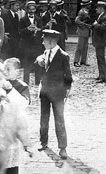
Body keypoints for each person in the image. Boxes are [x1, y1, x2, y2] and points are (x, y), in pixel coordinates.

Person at [35, 30, 72, 159]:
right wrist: (39, 59)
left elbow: (68, 77)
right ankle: (43, 142)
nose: (42, 42)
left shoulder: (63, 56)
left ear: (51, 42)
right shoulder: (46, 52)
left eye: (44, 40)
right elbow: (39, 61)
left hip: (57, 94)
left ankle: (63, 148)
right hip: (45, 92)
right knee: (43, 118)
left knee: (59, 120)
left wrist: (65, 92)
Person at [19, 1, 43, 83]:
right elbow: (20, 32)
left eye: (33, 9)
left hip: (36, 45)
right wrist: (27, 29)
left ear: (35, 10)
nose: (31, 11)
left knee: (38, 63)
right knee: (26, 64)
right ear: (27, 10)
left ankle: (38, 81)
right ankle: (25, 82)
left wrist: (37, 29)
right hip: (27, 45)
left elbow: (41, 31)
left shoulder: (38, 19)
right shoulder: (22, 20)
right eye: (30, 9)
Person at [92, 1, 106, 83]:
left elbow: (103, 28)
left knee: (101, 58)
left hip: (101, 41)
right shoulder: (101, 16)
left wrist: (96, 25)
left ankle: (103, 77)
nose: (96, 9)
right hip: (99, 41)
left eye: (97, 8)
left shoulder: (105, 17)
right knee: (99, 58)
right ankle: (100, 75)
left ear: (101, 8)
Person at [74, 0, 93, 67]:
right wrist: (85, 25)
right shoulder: (81, 12)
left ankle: (83, 61)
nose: (90, 5)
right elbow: (77, 21)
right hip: (82, 30)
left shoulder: (87, 11)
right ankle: (76, 61)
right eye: (89, 4)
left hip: (86, 31)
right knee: (80, 46)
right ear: (86, 5)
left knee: (85, 46)